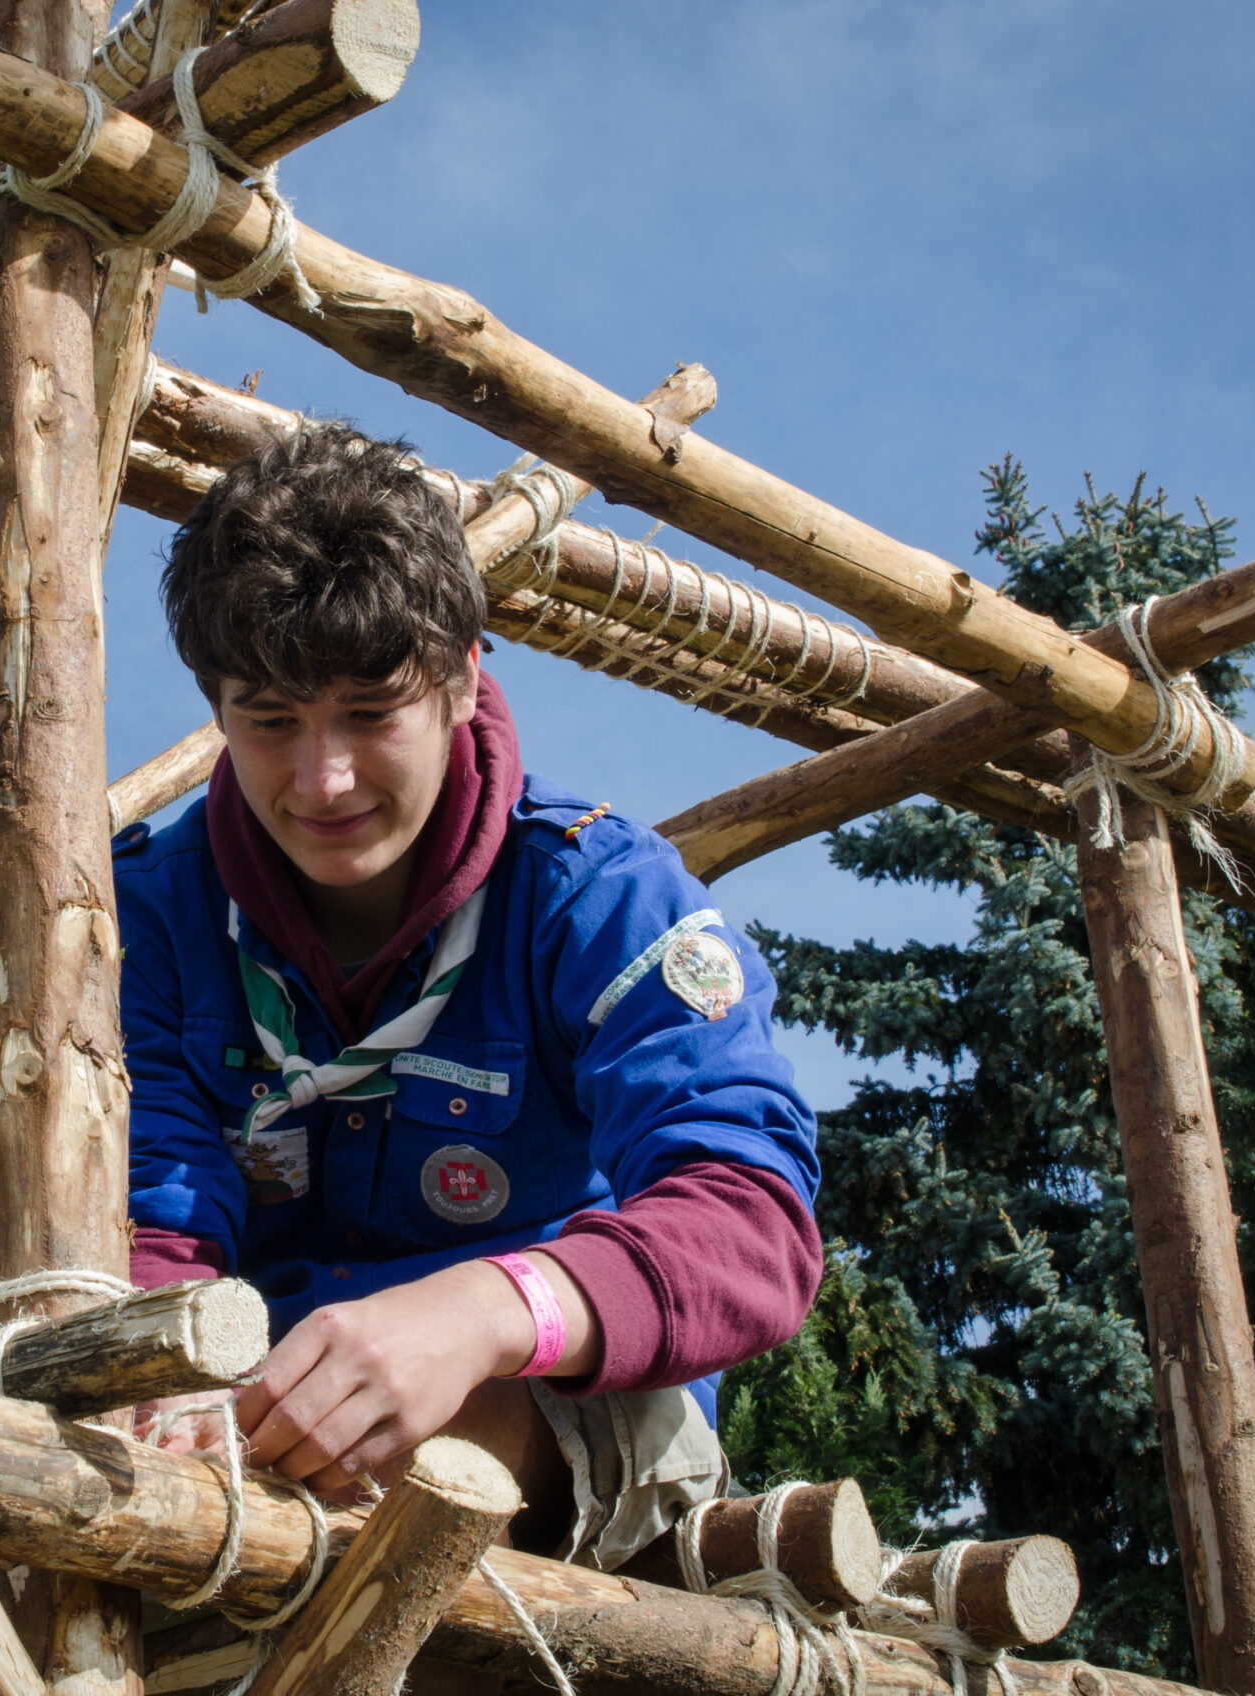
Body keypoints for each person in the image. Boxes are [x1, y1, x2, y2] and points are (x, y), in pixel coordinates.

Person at [116, 424, 823, 1569]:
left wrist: (484, 1312)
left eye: (369, 709)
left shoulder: (600, 900)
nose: (323, 778)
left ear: (460, 675)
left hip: (545, 1399)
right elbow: (155, 1220)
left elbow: (749, 1222)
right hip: (241, 1408)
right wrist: (170, 1374)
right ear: (215, 703)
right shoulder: (147, 916)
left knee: (393, 1460)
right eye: (271, 721)